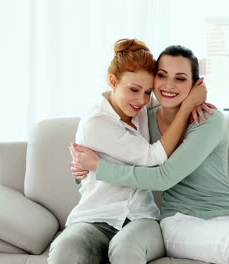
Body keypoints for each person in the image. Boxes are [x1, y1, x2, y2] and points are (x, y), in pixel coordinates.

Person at [70, 45, 229, 264]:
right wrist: (82, 169)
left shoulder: (208, 120)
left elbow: (160, 174)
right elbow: (119, 141)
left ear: (196, 85)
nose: (169, 85)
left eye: (181, 78)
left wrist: (97, 165)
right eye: (162, 76)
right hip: (182, 221)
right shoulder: (143, 118)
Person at [48, 39, 209, 264]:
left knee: (125, 247)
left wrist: (194, 101)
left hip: (142, 219)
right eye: (133, 90)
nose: (141, 100)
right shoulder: (96, 122)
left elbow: (171, 97)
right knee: (66, 249)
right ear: (113, 81)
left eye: (147, 92)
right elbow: (153, 157)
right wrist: (187, 107)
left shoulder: (141, 108)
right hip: (95, 218)